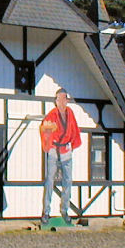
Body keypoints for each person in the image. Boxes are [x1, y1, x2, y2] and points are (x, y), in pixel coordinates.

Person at [40, 88, 82, 227]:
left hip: (66, 149)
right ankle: (46, 212)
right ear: (56, 101)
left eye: (64, 99)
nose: (61, 102)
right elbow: (45, 129)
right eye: (59, 99)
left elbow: (75, 129)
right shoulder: (52, 115)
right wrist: (49, 144)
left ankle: (65, 210)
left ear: (67, 100)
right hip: (54, 149)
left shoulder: (70, 113)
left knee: (68, 181)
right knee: (50, 180)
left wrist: (73, 145)